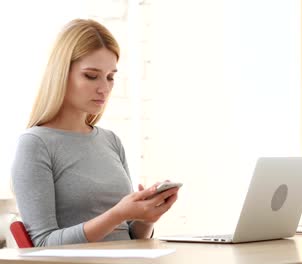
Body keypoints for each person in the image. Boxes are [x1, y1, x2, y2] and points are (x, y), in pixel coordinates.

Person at [11, 18, 179, 247]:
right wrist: (117, 214)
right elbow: (42, 244)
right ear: (61, 73)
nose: (104, 88)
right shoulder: (35, 144)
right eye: (91, 76)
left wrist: (146, 218)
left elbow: (130, 236)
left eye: (110, 77)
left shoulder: (111, 141)